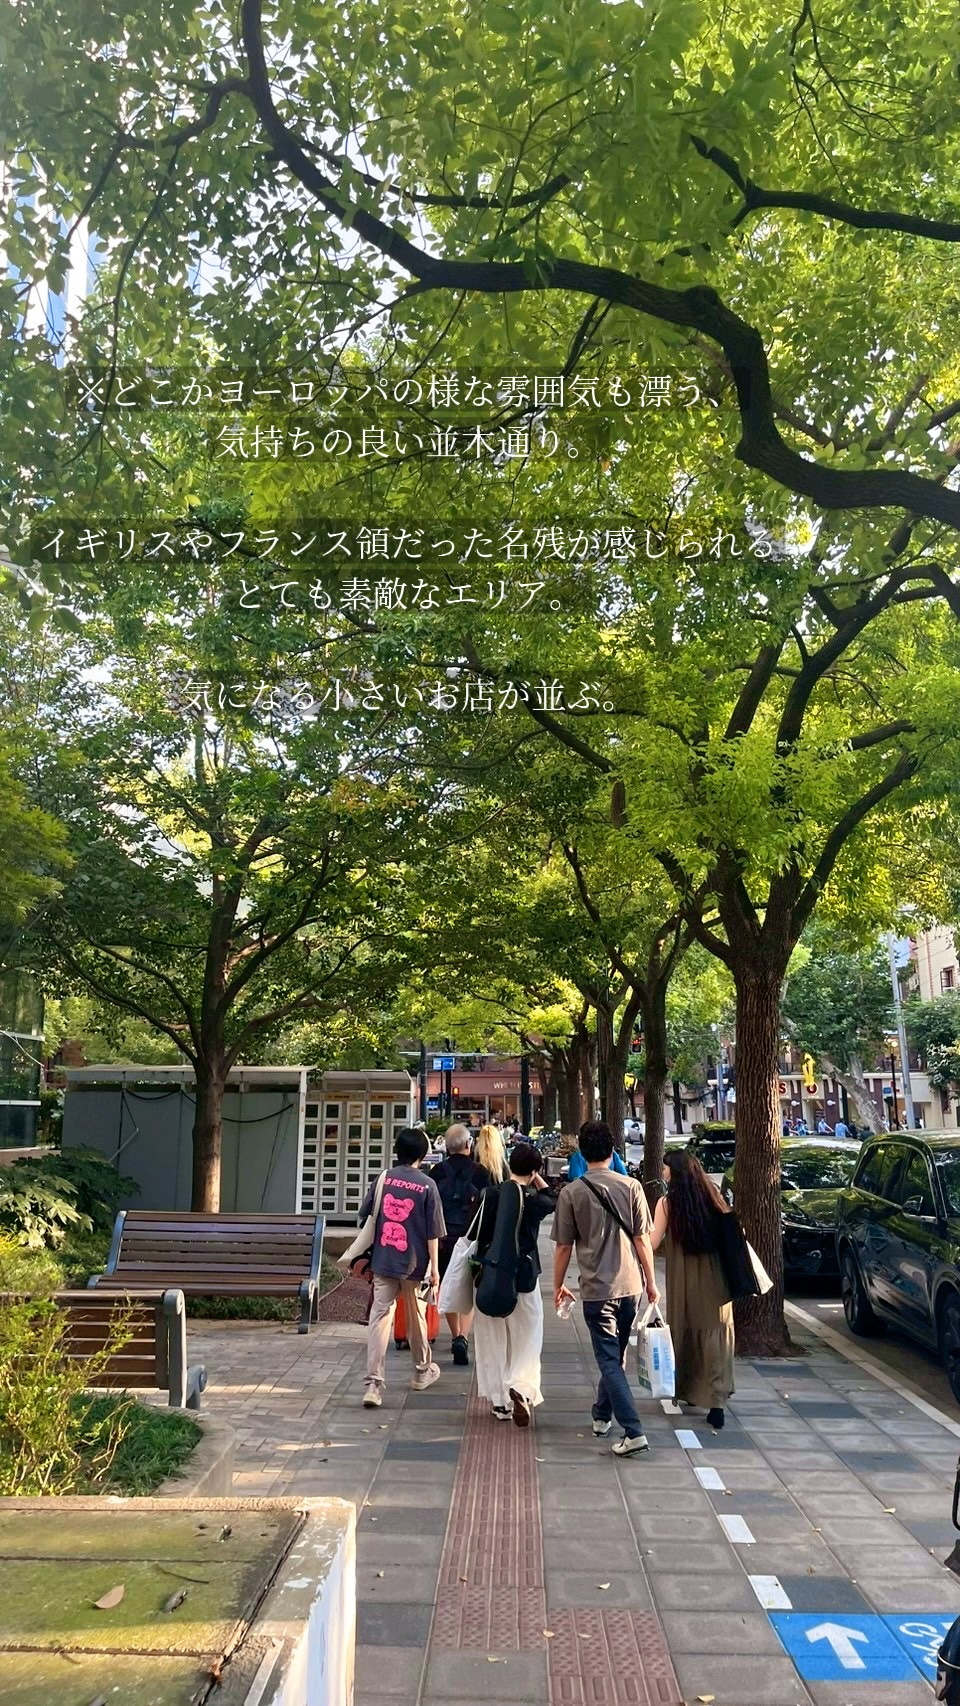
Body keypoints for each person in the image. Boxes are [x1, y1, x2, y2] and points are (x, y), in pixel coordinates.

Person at [553, 1119, 659, 1458]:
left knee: (609, 1360)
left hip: (597, 1288)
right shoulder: (632, 1187)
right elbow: (643, 1240)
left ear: (582, 1154)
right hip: (631, 1287)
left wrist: (558, 1284)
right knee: (615, 1356)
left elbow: (563, 1247)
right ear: (612, 1151)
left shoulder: (571, 1193)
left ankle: (634, 1431)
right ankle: (601, 1415)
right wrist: (651, 1283)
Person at [359, 1127, 446, 1408]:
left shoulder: (383, 1178)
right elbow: (433, 1233)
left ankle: (373, 1385)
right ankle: (421, 1371)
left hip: (383, 1260)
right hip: (414, 1265)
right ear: (423, 1154)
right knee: (416, 1317)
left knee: (379, 1319)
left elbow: (365, 1215)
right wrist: (435, 1269)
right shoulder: (427, 1185)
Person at [650, 1147, 734, 1430]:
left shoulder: (667, 1204)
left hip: (684, 1279)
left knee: (686, 1330)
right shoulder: (713, 1197)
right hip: (716, 1277)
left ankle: (688, 1389)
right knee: (715, 1336)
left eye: (665, 1168)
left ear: (674, 1173)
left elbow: (652, 1242)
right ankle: (717, 1402)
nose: (663, 1173)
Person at [473, 1142, 555, 1425]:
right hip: (524, 1278)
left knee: (493, 1340)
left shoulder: (490, 1195)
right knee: (528, 1337)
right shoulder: (534, 1201)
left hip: (490, 1277)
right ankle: (520, 1385)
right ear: (534, 1171)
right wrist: (537, 1178)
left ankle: (500, 1402)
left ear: (509, 1165)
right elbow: (551, 1198)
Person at [429, 1123, 492, 1365]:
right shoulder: (481, 1172)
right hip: (471, 1240)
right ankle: (463, 1336)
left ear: (446, 1147)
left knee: (448, 1286)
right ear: (468, 1144)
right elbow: (488, 1207)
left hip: (443, 1240)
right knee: (468, 1287)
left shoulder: (436, 1172)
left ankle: (455, 1334)